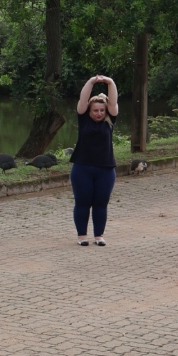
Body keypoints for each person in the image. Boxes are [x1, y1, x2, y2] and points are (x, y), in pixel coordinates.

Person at [69, 75, 119, 246]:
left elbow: (113, 102)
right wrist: (91, 81)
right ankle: (82, 236)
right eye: (95, 110)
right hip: (82, 168)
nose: (99, 113)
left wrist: (110, 82)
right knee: (82, 203)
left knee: (101, 203)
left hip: (105, 169)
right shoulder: (83, 119)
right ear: (89, 111)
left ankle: (99, 236)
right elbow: (83, 100)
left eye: (102, 110)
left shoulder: (109, 121)